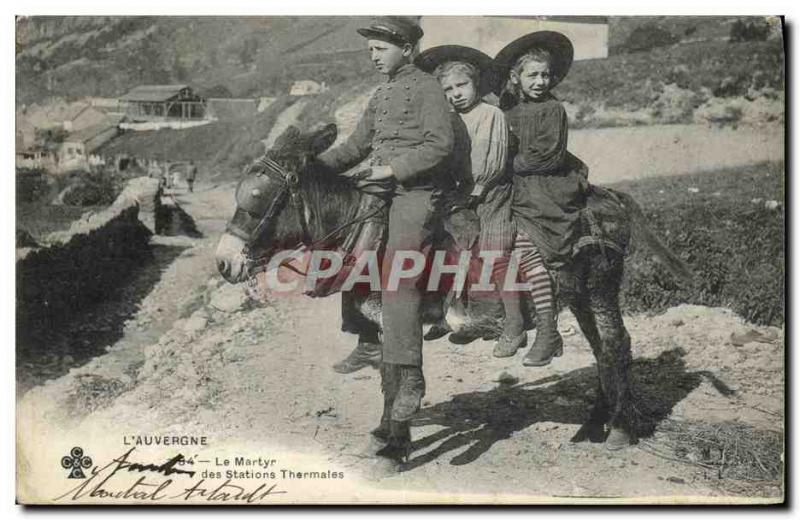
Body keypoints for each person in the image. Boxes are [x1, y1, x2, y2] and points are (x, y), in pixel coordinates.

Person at [314, 17, 455, 423]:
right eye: (370, 50)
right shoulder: (382, 95)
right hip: (380, 191)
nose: (373, 57)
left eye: (380, 49)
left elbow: (439, 145)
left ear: (407, 48)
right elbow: (355, 147)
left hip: (416, 193)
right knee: (347, 254)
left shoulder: (428, 88)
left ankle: (410, 375)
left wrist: (392, 170)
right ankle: (367, 339)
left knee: (398, 273)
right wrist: (310, 167)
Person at [415, 45, 526, 357]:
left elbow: (491, 164)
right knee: (440, 242)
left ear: (476, 83)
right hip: (463, 193)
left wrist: (469, 195)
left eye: (461, 85)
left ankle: (514, 323)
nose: (455, 94)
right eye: (447, 90)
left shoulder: (489, 114)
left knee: (494, 249)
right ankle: (451, 313)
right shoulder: (451, 120)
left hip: (492, 191)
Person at [494, 31, 589, 367]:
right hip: (515, 182)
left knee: (525, 242)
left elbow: (546, 158)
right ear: (515, 77)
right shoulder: (508, 108)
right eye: (532, 75)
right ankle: (507, 317)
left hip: (545, 184)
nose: (540, 81)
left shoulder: (552, 109)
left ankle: (547, 329)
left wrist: (504, 163)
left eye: (545, 75)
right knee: (491, 237)